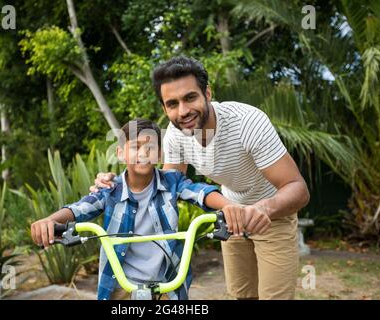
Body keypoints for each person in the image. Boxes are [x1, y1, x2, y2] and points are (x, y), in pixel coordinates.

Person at [92, 56, 310, 300]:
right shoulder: (175, 134)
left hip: (272, 214)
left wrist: (261, 209)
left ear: (207, 93)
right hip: (230, 216)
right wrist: (116, 181)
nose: (183, 111)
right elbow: (165, 185)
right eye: (172, 104)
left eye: (190, 98)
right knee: (242, 296)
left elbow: (297, 188)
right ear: (165, 108)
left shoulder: (248, 122)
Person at [31, 118, 241, 300]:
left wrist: (229, 207)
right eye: (135, 146)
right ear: (121, 153)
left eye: (150, 147)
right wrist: (50, 220)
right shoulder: (109, 190)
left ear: (160, 154)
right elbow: (80, 208)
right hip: (122, 284)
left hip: (168, 281)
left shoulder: (172, 181)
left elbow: (199, 192)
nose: (143, 152)